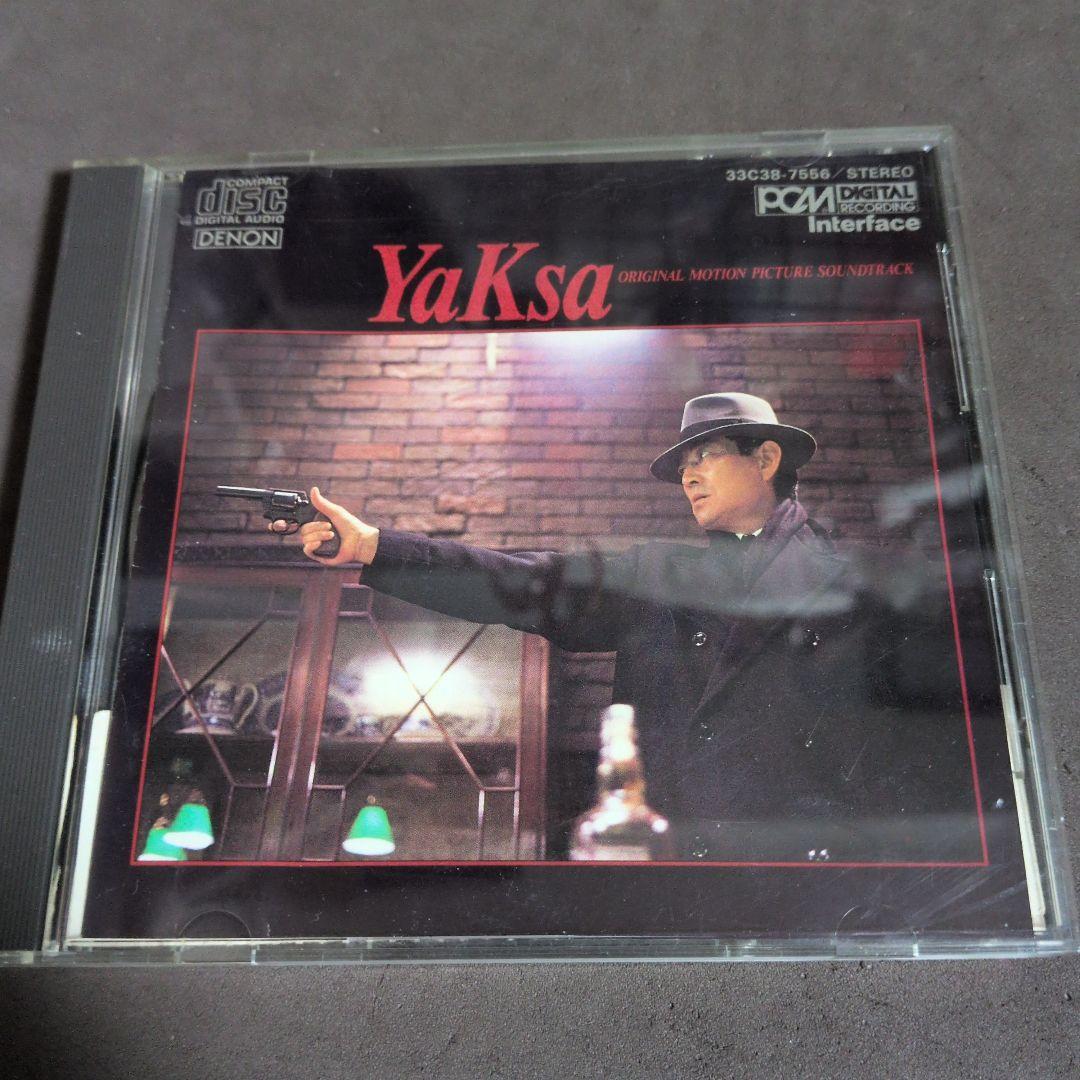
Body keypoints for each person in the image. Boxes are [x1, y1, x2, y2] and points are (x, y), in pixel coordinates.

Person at [276, 393, 982, 862]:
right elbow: (521, 584)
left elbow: (911, 754)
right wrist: (374, 548)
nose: (689, 478)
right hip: (668, 870)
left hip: (802, 880)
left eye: (706, 456)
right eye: (683, 466)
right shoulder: (658, 575)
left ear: (766, 459)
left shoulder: (860, 585)